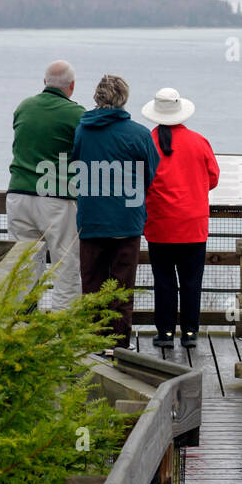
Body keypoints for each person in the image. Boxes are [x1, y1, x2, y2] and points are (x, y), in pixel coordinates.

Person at [71, 74, 159, 353]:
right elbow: (150, 175)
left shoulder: (83, 130)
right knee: (122, 285)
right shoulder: (139, 134)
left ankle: (92, 342)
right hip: (127, 219)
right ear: (123, 99)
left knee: (92, 283)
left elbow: (76, 163)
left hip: (92, 217)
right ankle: (119, 346)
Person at [141, 87, 219, 351]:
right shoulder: (199, 141)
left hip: (160, 224)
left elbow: (139, 180)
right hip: (193, 225)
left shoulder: (146, 142)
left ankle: (165, 333)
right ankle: (189, 332)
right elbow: (213, 178)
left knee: (163, 280)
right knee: (191, 281)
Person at [6, 60, 85, 309]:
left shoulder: (24, 107)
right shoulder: (76, 114)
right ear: (71, 86)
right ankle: (63, 332)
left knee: (23, 265)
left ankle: (21, 326)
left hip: (18, 195)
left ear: (44, 82)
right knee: (66, 264)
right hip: (56, 197)